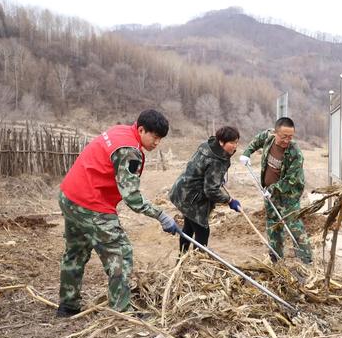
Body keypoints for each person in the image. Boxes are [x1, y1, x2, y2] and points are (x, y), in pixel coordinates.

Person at [57, 110, 179, 318]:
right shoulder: (129, 150)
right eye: (154, 137)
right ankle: (121, 312)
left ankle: (68, 306)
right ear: (141, 129)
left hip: (70, 195)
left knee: (76, 251)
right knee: (121, 254)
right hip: (91, 203)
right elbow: (131, 196)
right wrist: (161, 216)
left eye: (161, 139)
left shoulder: (120, 131)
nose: (157, 143)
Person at [239, 117, 313, 264]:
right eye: (284, 137)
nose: (287, 140)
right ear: (275, 133)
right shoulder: (268, 137)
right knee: (273, 225)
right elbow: (256, 140)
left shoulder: (295, 153)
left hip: (288, 196)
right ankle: (276, 259)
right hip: (269, 193)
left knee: (294, 227)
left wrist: (273, 189)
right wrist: (247, 153)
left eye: (290, 137)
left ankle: (306, 262)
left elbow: (291, 180)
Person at [169, 126, 242, 253]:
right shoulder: (217, 161)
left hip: (183, 190)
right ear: (221, 142)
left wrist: (216, 178)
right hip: (194, 198)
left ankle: (182, 260)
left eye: (236, 142)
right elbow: (211, 191)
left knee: (188, 227)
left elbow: (203, 168)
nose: (235, 146)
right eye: (232, 142)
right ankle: (196, 264)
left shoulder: (207, 146)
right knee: (202, 232)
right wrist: (229, 200)